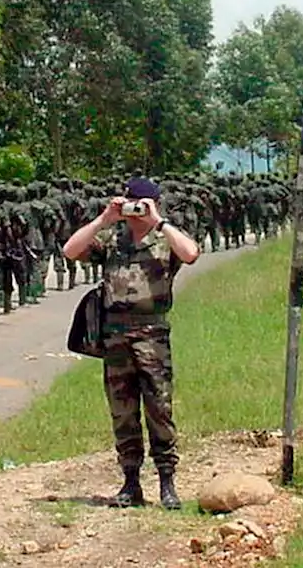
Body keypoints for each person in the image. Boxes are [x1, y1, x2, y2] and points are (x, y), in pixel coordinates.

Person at [61, 177, 200, 511]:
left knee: (159, 409)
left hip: (151, 334)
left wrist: (159, 221)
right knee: (122, 411)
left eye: (137, 202)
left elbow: (192, 253)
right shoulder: (113, 239)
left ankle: (167, 481)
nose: (132, 208)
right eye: (128, 202)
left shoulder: (163, 240)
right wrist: (103, 219)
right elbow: (70, 250)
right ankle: (131, 482)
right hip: (115, 336)